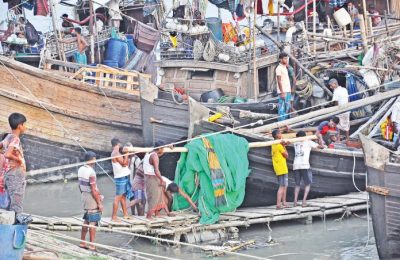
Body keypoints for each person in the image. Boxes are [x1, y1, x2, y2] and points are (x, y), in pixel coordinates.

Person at [0, 113, 27, 219]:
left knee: (9, 203)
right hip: (15, 174)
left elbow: (2, 148)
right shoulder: (15, 139)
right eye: (24, 124)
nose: (25, 127)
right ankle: (15, 229)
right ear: (20, 126)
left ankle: (6, 226)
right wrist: (19, 159)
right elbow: (7, 154)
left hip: (8, 174)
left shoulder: (8, 137)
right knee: (16, 204)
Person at [77, 151, 103, 251]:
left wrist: (84, 194)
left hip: (84, 195)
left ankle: (82, 242)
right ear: (92, 159)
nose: (95, 161)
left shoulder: (80, 169)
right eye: (95, 158)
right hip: (91, 197)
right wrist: (99, 203)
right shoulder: (91, 172)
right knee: (93, 221)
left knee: (87, 219)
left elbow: (80, 185)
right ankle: (92, 245)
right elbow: (93, 189)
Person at [293, 131, 324, 207]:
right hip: (305, 165)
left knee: (297, 185)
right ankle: (303, 202)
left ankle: (295, 202)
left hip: (295, 165)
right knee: (307, 184)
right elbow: (322, 147)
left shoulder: (295, 142)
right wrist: (320, 137)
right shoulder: (309, 142)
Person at [143, 141, 173, 219]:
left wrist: (167, 146)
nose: (163, 150)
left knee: (159, 196)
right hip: (152, 178)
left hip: (149, 177)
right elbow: (156, 170)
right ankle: (149, 216)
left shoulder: (150, 153)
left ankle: (157, 214)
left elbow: (159, 154)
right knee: (154, 197)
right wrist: (161, 179)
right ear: (159, 148)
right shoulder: (154, 156)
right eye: (162, 148)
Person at [110, 138, 133, 222]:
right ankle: (114, 217)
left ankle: (125, 214)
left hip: (122, 176)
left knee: (123, 197)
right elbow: (124, 163)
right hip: (121, 177)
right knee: (118, 197)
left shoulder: (116, 152)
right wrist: (127, 154)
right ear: (118, 144)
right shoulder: (116, 153)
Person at [271, 129, 289, 209]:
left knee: (284, 185)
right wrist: (284, 146)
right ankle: (278, 204)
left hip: (277, 167)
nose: (281, 134)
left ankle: (283, 202)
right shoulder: (279, 145)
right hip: (282, 167)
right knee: (282, 186)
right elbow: (286, 155)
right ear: (277, 135)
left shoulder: (273, 144)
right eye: (280, 133)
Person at [276, 52, 292, 121]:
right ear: (280, 59)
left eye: (287, 58)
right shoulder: (278, 68)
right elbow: (279, 81)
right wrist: (282, 92)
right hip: (283, 91)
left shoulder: (284, 67)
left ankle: (285, 124)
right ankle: (281, 124)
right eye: (285, 58)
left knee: (287, 108)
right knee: (282, 109)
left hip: (287, 90)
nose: (286, 60)